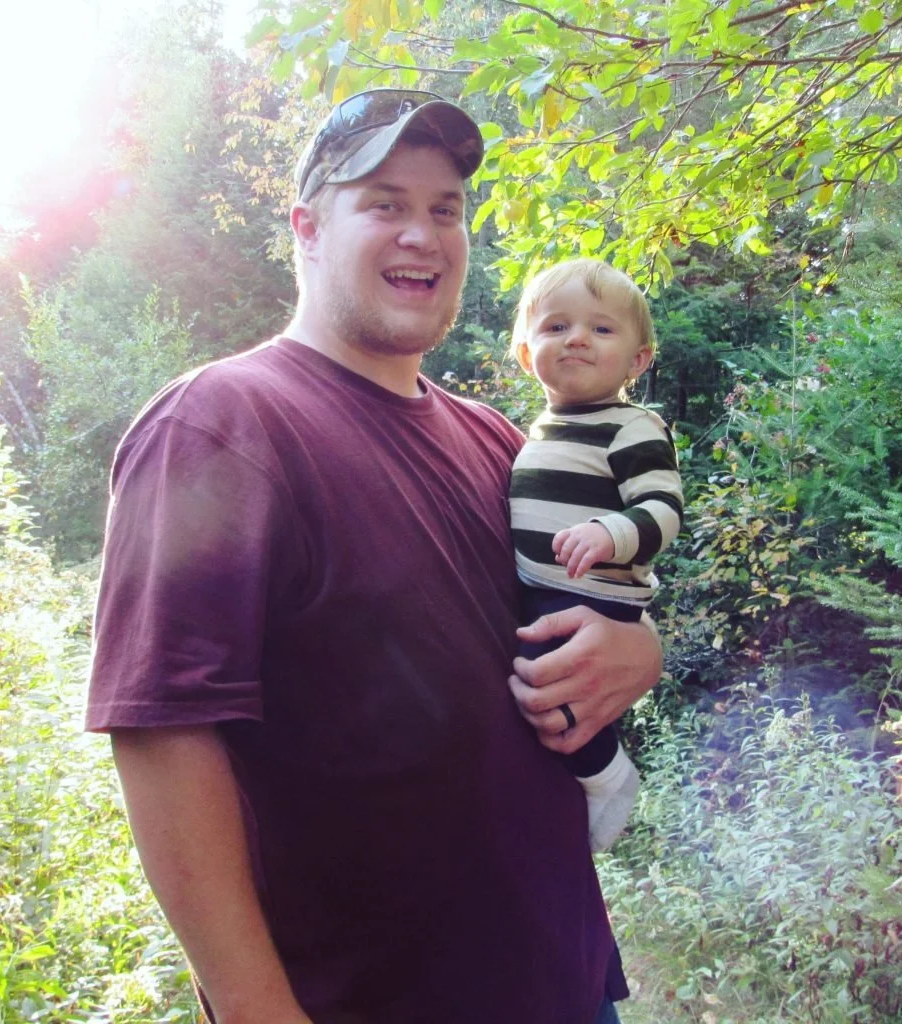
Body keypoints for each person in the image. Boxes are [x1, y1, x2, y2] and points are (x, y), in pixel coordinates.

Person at [86, 88, 664, 1024]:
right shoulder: (223, 424)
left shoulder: (493, 438)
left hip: (562, 976)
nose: (423, 235)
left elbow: (590, 605)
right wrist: (255, 1012)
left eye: (446, 210)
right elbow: (162, 732)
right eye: (385, 203)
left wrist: (643, 649)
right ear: (308, 227)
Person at [508, 259, 684, 852]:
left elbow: (664, 511)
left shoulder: (631, 426)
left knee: (547, 686)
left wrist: (613, 532)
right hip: (545, 588)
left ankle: (607, 776)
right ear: (528, 355)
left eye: (602, 329)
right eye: (556, 326)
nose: (577, 337)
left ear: (638, 360)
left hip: (598, 597)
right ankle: (575, 785)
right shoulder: (537, 432)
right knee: (534, 688)